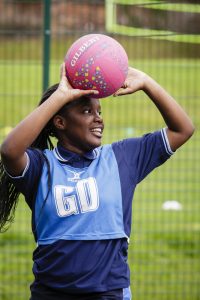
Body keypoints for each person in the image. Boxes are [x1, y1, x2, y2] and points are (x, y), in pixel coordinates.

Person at [0, 63, 194, 300]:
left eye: (99, 112)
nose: (98, 119)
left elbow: (182, 129)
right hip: (50, 294)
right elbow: (9, 151)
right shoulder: (41, 167)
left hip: (109, 293)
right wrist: (61, 96)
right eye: (86, 112)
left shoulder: (122, 157)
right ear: (60, 122)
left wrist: (146, 82)